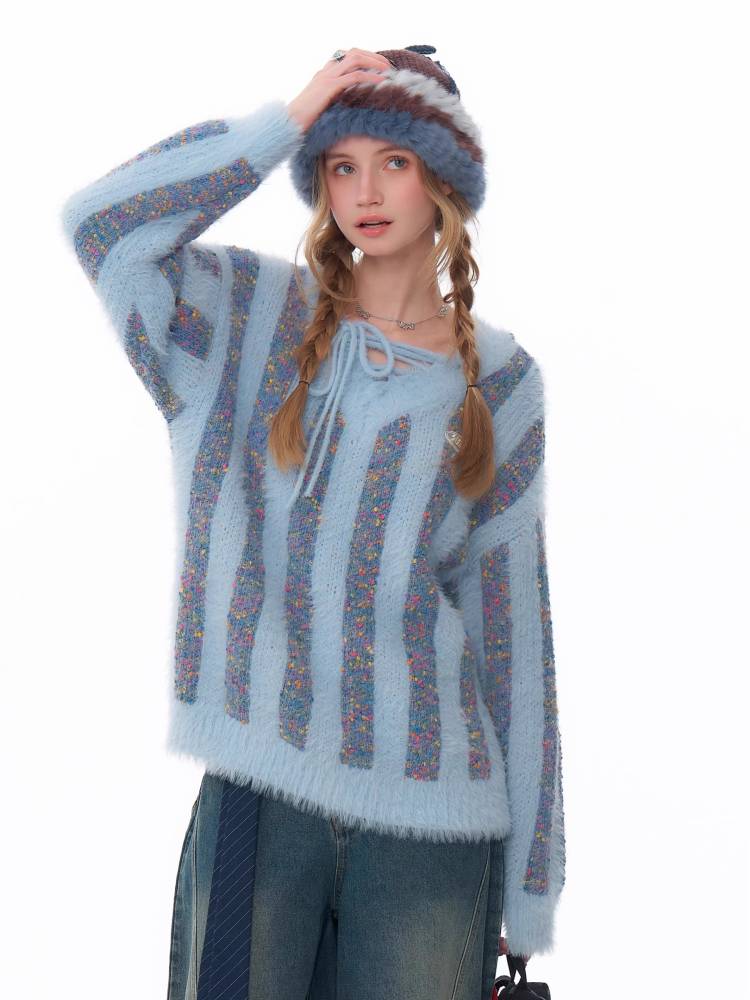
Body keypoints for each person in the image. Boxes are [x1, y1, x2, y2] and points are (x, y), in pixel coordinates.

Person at [60, 43, 566, 1000]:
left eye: (395, 161)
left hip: (435, 822)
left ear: (443, 181)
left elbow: (513, 637)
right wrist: (283, 124)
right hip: (261, 795)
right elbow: (103, 228)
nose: (365, 192)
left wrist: (531, 886)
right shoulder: (243, 318)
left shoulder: (502, 383)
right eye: (340, 164)